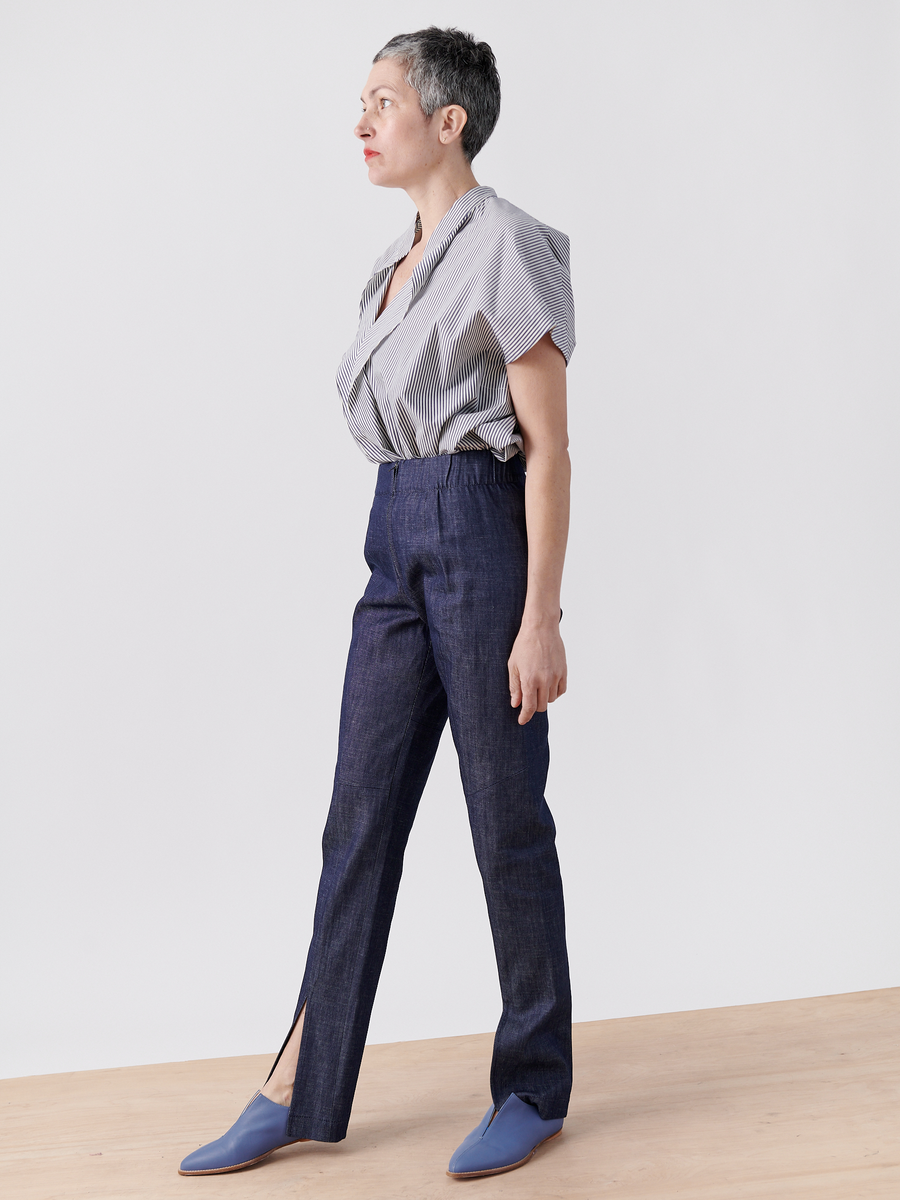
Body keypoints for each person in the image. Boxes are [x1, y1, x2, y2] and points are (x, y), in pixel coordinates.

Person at [178, 25, 575, 1181]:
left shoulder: (503, 244)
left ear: (448, 121)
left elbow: (548, 447)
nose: (361, 121)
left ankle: (534, 1085)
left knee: (507, 822)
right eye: (361, 102)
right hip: (395, 533)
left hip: (477, 529)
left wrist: (540, 615)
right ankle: (298, 1088)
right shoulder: (393, 264)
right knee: (357, 820)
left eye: (382, 99)